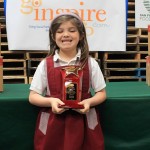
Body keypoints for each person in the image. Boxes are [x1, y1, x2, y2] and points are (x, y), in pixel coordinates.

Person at [29, 12, 106, 150]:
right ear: (53, 37)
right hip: (53, 122)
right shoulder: (45, 64)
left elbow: (101, 93)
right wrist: (51, 101)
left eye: (72, 30)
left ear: (81, 35)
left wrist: (89, 102)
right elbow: (33, 96)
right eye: (60, 31)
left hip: (84, 121)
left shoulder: (90, 63)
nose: (65, 34)